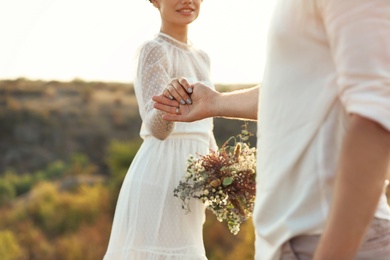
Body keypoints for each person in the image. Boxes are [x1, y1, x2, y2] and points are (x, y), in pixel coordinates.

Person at [152, 0, 390, 259]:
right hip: (287, 239)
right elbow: (293, 92)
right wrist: (214, 102)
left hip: (325, 236)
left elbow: (377, 114)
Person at [104, 0, 217, 259]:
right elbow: (157, 128)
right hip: (159, 177)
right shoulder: (153, 50)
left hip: (191, 182)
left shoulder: (203, 57)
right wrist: (171, 98)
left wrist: (219, 168)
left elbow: (205, 126)